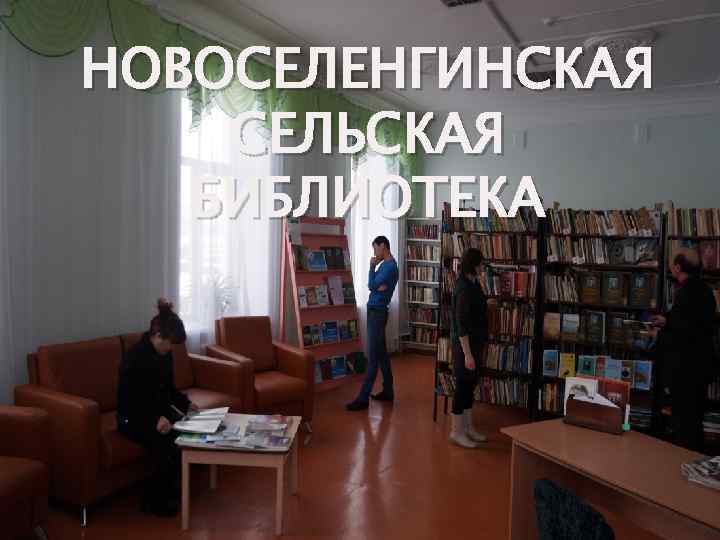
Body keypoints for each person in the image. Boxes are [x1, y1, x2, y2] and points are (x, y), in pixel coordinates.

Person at [117, 298, 197, 516]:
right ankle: (154, 502)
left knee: (186, 430)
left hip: (157, 411)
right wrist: (154, 419)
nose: (171, 348)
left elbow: (168, 389)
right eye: (169, 343)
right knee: (165, 439)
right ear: (158, 336)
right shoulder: (134, 358)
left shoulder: (164, 354)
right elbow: (130, 400)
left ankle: (172, 490)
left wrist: (187, 405)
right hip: (132, 417)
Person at [652, 248, 717, 452]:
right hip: (702, 366)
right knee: (695, 419)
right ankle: (694, 456)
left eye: (672, 264)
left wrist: (661, 332)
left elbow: (683, 332)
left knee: (684, 421)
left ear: (678, 268)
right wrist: (667, 319)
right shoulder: (705, 290)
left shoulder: (686, 292)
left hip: (686, 368)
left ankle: (685, 458)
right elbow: (695, 322)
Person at [346, 236, 399, 411]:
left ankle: (363, 399)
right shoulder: (385, 265)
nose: (374, 252)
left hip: (377, 312)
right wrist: (376, 285)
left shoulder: (389, 267)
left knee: (373, 357)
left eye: (375, 248)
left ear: (383, 246)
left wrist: (371, 268)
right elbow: (374, 285)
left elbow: (371, 284)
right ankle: (388, 391)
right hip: (376, 311)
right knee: (382, 354)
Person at [449, 248, 488, 448]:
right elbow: (461, 324)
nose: (483, 267)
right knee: (462, 387)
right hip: (465, 346)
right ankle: (456, 431)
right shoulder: (463, 288)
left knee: (470, 386)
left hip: (474, 343)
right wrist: (467, 355)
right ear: (473, 265)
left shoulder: (473, 283)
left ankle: (468, 427)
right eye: (481, 263)